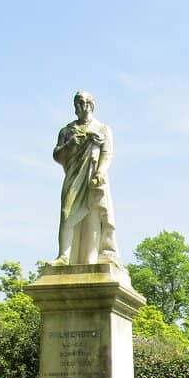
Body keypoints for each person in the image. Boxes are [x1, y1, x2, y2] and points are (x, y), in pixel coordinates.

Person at [52, 91, 116, 265]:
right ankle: (63, 256)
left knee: (92, 215)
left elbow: (107, 153)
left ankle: (90, 259)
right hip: (73, 177)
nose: (79, 107)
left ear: (91, 105)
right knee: (67, 213)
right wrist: (71, 144)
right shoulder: (67, 130)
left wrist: (100, 171)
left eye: (82, 103)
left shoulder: (102, 129)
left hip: (93, 177)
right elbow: (57, 155)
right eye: (77, 104)